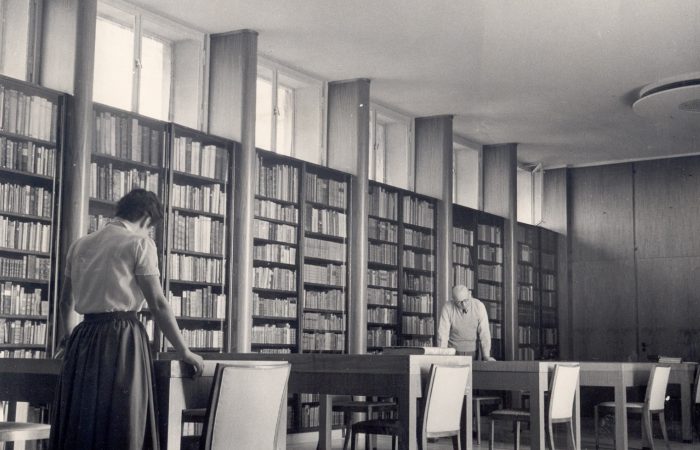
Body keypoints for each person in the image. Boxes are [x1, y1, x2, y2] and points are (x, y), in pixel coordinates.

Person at [50, 189, 204, 450]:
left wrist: (68, 340)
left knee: (85, 419)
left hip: (83, 338)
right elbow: (157, 303)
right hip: (122, 337)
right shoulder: (139, 243)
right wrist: (184, 351)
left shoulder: (79, 244)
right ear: (146, 219)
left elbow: (64, 303)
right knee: (125, 416)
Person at [437, 284, 496, 360]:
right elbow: (443, 334)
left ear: (470, 294)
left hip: (473, 351)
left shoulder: (479, 306)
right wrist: (442, 356)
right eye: (459, 302)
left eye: (466, 300)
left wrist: (486, 355)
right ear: (453, 300)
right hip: (452, 352)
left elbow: (484, 332)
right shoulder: (447, 307)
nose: (463, 305)